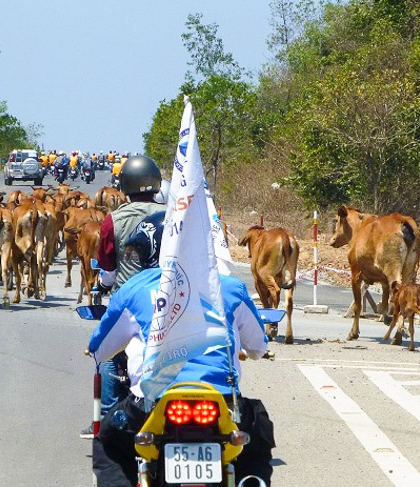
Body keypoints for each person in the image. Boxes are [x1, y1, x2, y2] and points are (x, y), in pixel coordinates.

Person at [88, 211, 275, 487]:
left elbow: (99, 350)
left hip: (151, 403)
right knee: (258, 432)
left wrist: (98, 350)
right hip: (222, 402)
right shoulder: (231, 287)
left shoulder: (135, 288)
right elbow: (258, 347)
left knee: (108, 443)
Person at [79, 155, 164, 440]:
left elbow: (108, 268)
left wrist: (103, 284)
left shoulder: (113, 220)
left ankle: (105, 417)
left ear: (124, 185)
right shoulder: (173, 214)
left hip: (127, 299)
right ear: (156, 184)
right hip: (170, 298)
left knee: (107, 355)